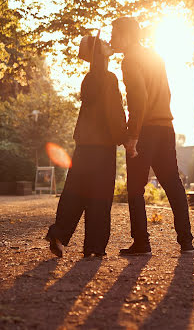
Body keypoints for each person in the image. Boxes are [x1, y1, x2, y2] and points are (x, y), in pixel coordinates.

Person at [110, 17, 194, 255]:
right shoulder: (156, 57)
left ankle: (141, 242)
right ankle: (186, 242)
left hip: (145, 129)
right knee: (173, 184)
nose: (111, 39)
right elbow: (164, 93)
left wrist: (134, 135)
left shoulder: (130, 60)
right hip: (165, 126)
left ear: (126, 36)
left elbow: (139, 97)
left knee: (135, 188)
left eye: (114, 34)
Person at [45, 33, 127, 258]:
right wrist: (124, 135)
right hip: (102, 146)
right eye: (104, 44)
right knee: (100, 196)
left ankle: (59, 233)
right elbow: (114, 111)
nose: (109, 44)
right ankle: (94, 246)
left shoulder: (88, 79)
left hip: (83, 145)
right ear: (100, 53)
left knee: (75, 191)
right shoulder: (109, 78)